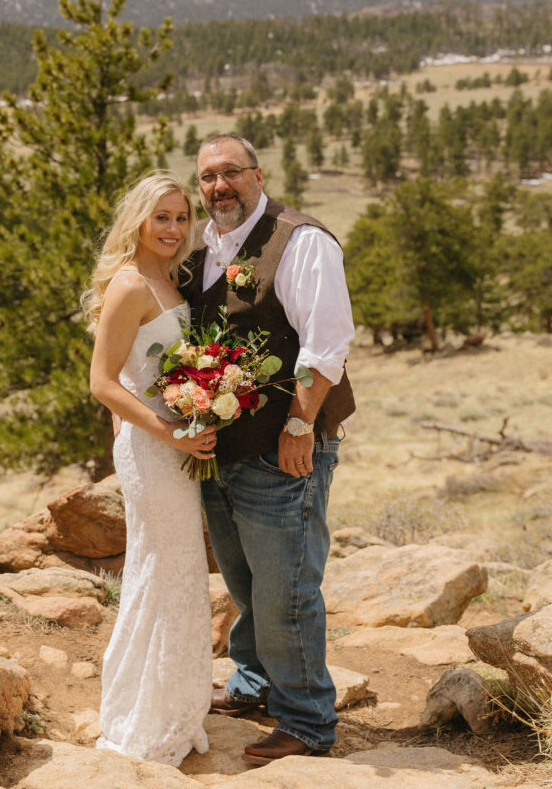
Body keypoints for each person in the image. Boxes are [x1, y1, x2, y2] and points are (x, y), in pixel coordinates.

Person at [179, 134, 356, 766]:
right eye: (207, 177)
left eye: (231, 173)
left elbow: (326, 343)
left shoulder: (301, 240)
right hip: (220, 450)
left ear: (259, 175)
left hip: (284, 448)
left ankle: (307, 721)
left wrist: (300, 427)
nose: (219, 186)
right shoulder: (199, 244)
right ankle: (254, 682)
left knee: (285, 589)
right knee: (244, 579)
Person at [84, 172, 217, 767]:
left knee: (180, 571)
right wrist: (168, 430)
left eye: (181, 217)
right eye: (161, 217)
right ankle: (142, 718)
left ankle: (175, 708)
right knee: (160, 572)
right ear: (138, 220)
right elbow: (103, 383)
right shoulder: (129, 285)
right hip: (153, 450)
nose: (173, 228)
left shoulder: (173, 277)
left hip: (178, 446)